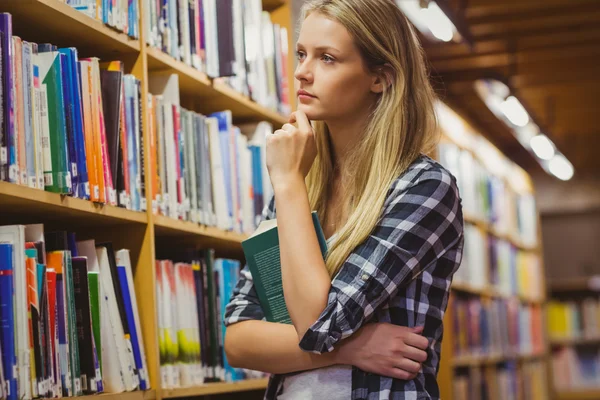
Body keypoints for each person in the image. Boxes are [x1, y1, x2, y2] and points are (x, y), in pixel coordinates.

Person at [223, 0, 464, 398]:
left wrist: (286, 182)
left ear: (380, 78)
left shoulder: (423, 188)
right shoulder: (301, 187)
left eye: (327, 58)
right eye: (302, 54)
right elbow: (239, 339)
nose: (302, 71)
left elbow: (319, 324)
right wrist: (355, 347)